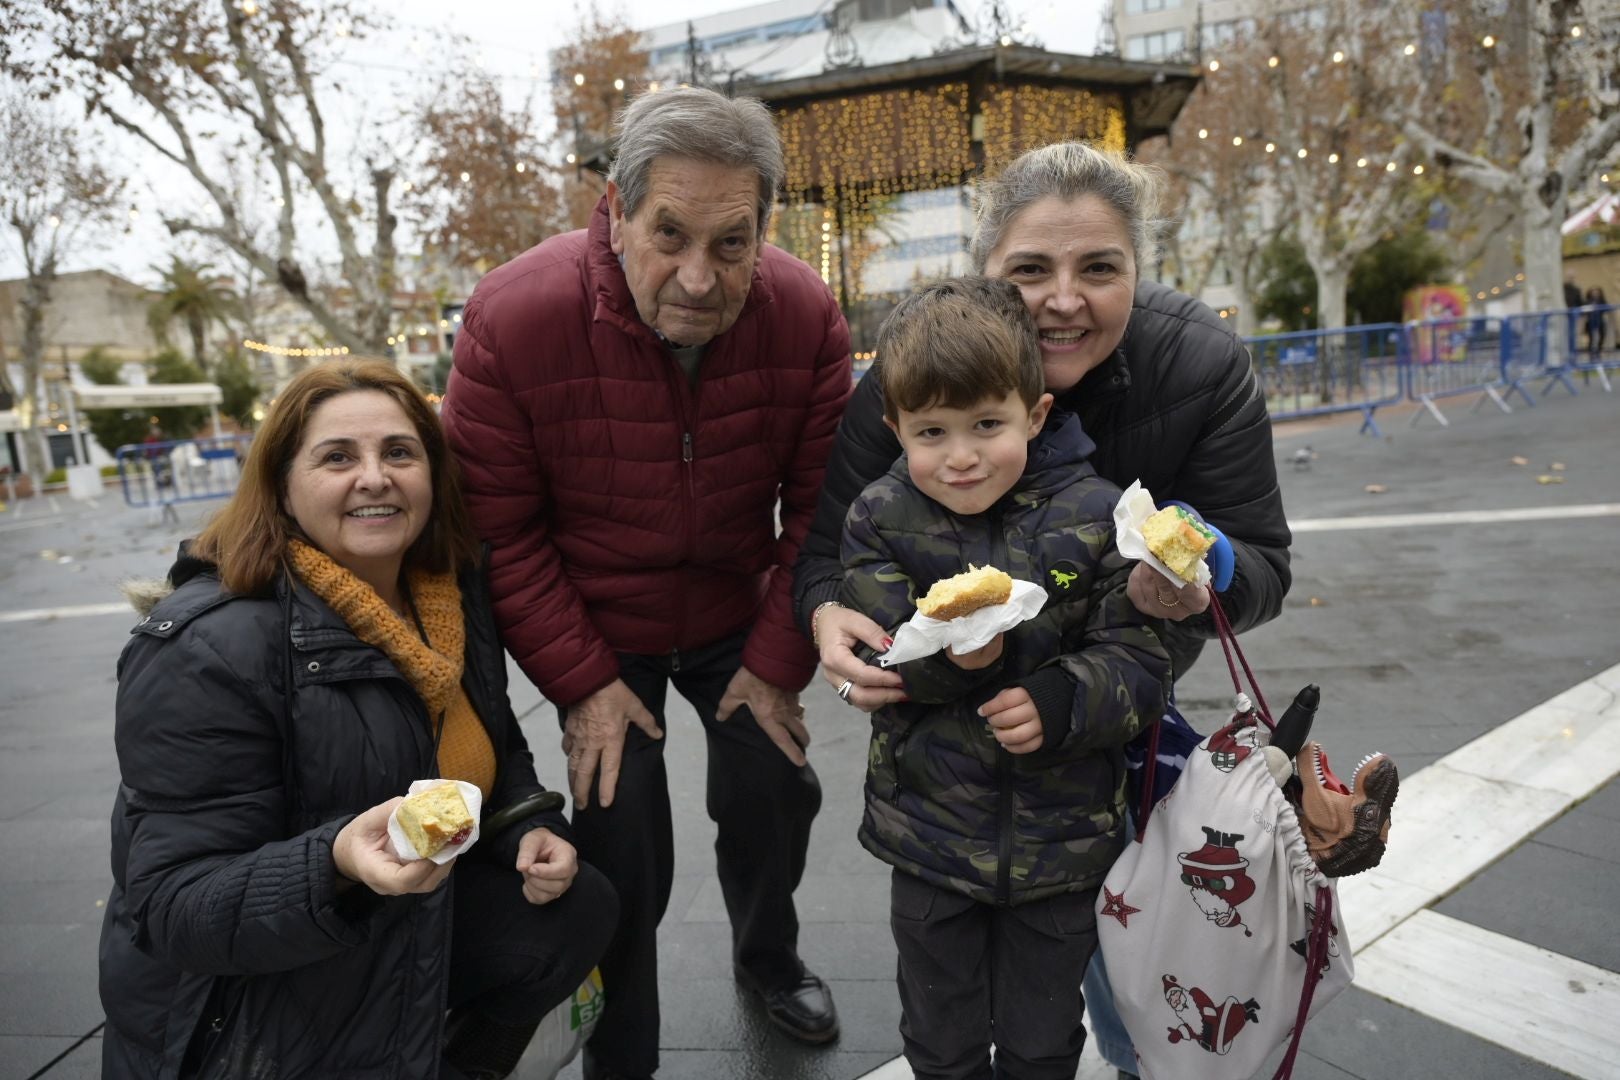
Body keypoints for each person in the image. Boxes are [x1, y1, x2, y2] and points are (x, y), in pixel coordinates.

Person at [794, 141, 1292, 1080]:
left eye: (1099, 268)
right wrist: (829, 616)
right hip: (936, 814)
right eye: (1030, 270)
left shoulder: (1197, 366)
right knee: (943, 1025)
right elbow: (832, 552)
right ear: (987, 270)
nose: (1064, 300)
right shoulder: (916, 376)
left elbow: (1257, 565)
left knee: (1085, 1001)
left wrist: (1202, 571)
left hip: (1092, 754)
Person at [441, 86, 853, 1079]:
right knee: (618, 827)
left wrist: (775, 663)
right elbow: (501, 532)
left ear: (765, 230)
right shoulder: (513, 315)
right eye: (670, 234)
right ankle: (620, 1044)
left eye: (732, 242)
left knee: (773, 784)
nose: (699, 279)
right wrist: (583, 683)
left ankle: (769, 956)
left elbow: (824, 512)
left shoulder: (805, 314)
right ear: (617, 210)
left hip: (733, 607)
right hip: (595, 621)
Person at [99, 360, 617, 1079]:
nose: (375, 478)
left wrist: (526, 825)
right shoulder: (209, 646)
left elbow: (487, 743)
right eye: (338, 457)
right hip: (244, 1006)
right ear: (281, 485)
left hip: (390, 918)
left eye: (399, 452)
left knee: (578, 906)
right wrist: (335, 861)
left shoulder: (445, 593)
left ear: (432, 476)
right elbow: (172, 906)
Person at [840, 276, 1170, 1080]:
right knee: (940, 1041)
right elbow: (882, 657)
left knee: (1042, 1043)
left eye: (987, 425)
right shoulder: (879, 519)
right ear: (895, 429)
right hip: (930, 839)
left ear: (1036, 414)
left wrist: (1063, 700)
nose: (961, 457)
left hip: (1064, 846)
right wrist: (950, 663)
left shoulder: (1099, 516)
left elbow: (1140, 660)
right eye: (932, 432)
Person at [1585, 285, 1608, 361]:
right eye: (1593, 292)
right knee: (1591, 338)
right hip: (1591, 321)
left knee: (1601, 336)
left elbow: (1606, 308)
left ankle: (1599, 351)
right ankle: (1591, 353)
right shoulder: (1588, 301)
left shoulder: (1602, 300)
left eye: (1597, 292)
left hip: (1600, 321)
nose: (1595, 293)